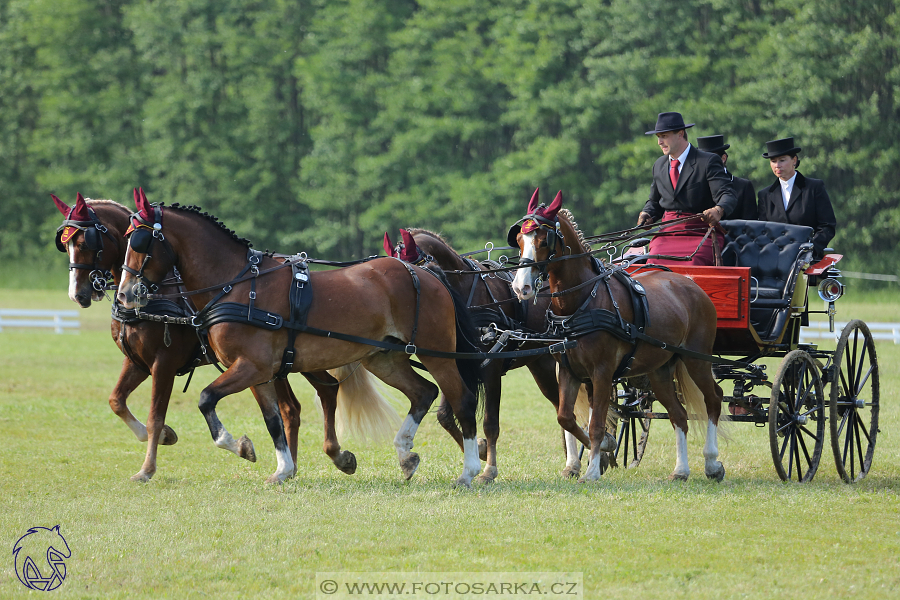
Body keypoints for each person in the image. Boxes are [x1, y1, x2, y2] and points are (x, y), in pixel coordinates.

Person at [637, 112, 737, 266]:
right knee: (654, 265)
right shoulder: (659, 165)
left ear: (680, 134)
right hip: (667, 234)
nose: (659, 142)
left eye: (664, 136)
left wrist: (718, 210)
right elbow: (654, 202)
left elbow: (727, 194)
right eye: (658, 137)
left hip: (700, 232)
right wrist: (647, 214)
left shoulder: (707, 161)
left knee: (692, 265)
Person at [757, 137, 836, 258]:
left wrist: (811, 250)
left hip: (808, 259)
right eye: (773, 161)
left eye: (782, 160)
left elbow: (827, 226)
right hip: (774, 261)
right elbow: (763, 231)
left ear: (794, 160)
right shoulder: (765, 195)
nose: (777, 165)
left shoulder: (814, 188)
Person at [696, 134, 757, 220]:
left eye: (711, 159)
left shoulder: (743, 186)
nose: (706, 163)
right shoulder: (694, 185)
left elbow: (750, 223)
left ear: (723, 158)